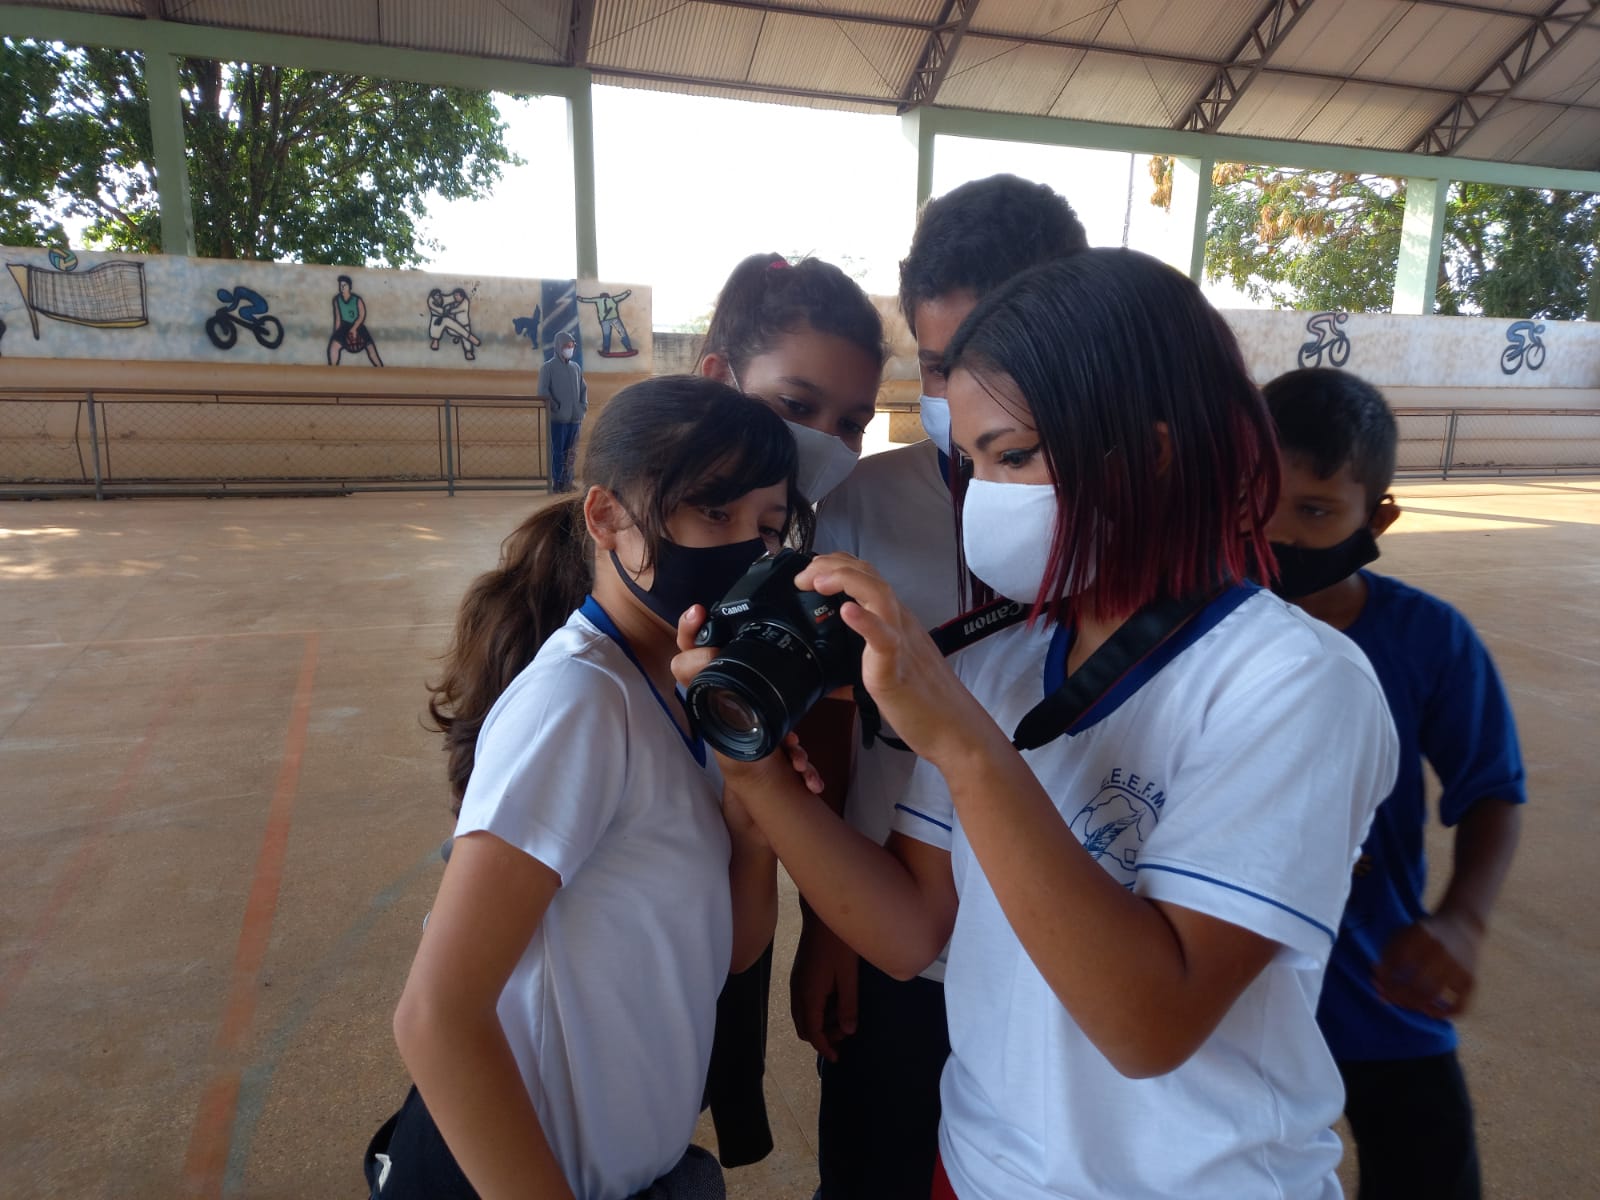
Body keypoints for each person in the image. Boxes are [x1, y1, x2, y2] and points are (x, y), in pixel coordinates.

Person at [672, 248, 1400, 1200]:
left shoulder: (1291, 685)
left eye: (1015, 457)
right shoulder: (1002, 659)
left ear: (1155, 450)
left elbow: (1149, 1023)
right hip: (980, 1168)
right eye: (971, 465)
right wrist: (761, 771)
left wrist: (962, 742)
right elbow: (908, 931)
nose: (985, 498)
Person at [366, 377, 811, 1200]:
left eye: (769, 528)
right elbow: (436, 1017)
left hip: (642, 1172)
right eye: (714, 512)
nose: (748, 551)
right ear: (607, 518)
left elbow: (725, 952)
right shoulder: (579, 702)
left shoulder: (693, 686)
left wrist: (752, 830)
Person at [799, 175, 1088, 1200]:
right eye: (934, 363)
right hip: (893, 932)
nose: (956, 390)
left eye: (988, 357)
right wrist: (829, 922)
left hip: (1061, 953)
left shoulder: (1122, 520)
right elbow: (832, 732)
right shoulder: (861, 504)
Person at [1262, 367, 1525, 1200]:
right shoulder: (1188, 626)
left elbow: (1492, 789)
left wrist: (1464, 922)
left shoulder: (1428, 638)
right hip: (1232, 989)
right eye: (1258, 498)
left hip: (1380, 980)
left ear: (1375, 520)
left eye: (1314, 510)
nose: (1278, 533)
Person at [691, 250, 886, 1166]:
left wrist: (828, 923)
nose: (825, 442)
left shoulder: (806, 548)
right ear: (717, 382)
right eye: (794, 406)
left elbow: (819, 751)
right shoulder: (619, 578)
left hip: (733, 911)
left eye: (852, 422)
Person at [539, 330, 587, 492]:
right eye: (567, 346)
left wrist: (582, 407)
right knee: (557, 452)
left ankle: (568, 481)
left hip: (575, 418)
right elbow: (543, 391)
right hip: (558, 420)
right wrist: (556, 408)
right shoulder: (548, 368)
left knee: (571, 452)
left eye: (572, 346)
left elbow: (583, 388)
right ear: (559, 347)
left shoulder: (576, 368)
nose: (570, 349)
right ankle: (557, 482)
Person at [329, 274, 383, 366]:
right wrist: (336, 333)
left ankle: (380, 368)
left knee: (370, 348)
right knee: (334, 347)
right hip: (344, 326)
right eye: (340, 285)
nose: (342, 287)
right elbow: (338, 317)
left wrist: (354, 328)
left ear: (349, 286)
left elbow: (362, 315)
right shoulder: (337, 300)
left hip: (358, 325)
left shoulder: (357, 299)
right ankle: (332, 370)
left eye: (344, 285)